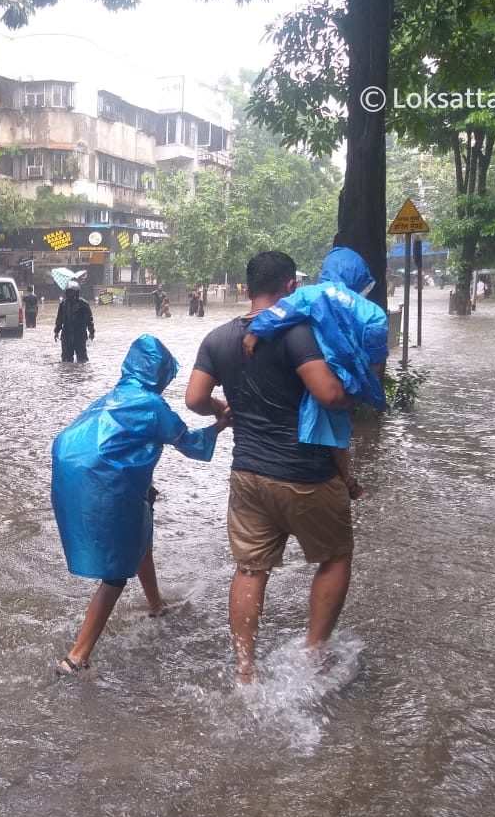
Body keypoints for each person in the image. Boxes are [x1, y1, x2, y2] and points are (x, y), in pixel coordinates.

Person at [185, 250, 360, 686]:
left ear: (247, 289)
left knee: (250, 569)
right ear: (291, 288)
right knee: (335, 557)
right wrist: (358, 392)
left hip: (246, 476)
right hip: (306, 476)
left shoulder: (218, 338)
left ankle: (245, 670)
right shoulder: (298, 333)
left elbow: (193, 400)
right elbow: (330, 396)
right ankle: (314, 653)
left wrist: (221, 408)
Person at [52, 335, 227, 676]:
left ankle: (156, 604)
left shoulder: (110, 398)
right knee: (116, 575)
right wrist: (220, 425)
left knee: (141, 530)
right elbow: (190, 444)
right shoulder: (152, 405)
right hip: (106, 483)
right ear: (160, 375)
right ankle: (76, 658)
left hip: (71, 473)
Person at [241, 247, 388, 500]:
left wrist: (256, 330)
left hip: (317, 365)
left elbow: (280, 313)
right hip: (350, 373)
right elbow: (376, 352)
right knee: (339, 419)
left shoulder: (310, 293)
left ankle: (341, 474)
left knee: (322, 416)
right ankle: (347, 477)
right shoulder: (372, 311)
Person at [54, 280, 94, 362]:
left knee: (82, 359)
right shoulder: (63, 304)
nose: (70, 294)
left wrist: (91, 331)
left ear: (76, 292)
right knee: (66, 360)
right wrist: (56, 331)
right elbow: (59, 319)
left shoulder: (83, 304)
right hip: (66, 335)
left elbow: (89, 319)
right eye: (68, 292)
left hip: (80, 335)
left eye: (72, 292)